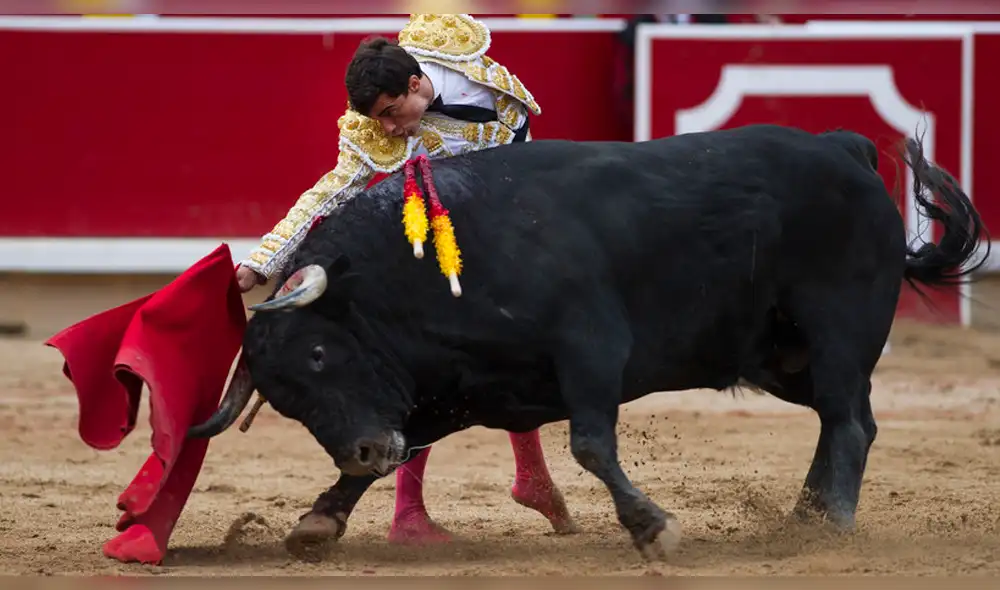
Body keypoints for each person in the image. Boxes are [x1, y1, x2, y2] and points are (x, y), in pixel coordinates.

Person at [234, 14, 578, 544]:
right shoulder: (379, 124)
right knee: (433, 377)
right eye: (381, 120)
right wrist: (264, 259)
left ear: (416, 82)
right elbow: (329, 191)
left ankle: (528, 477)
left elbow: (525, 149)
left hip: (504, 239)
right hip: (429, 254)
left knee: (519, 352)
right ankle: (409, 512)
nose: (389, 129)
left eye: (394, 113)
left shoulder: (463, 61)